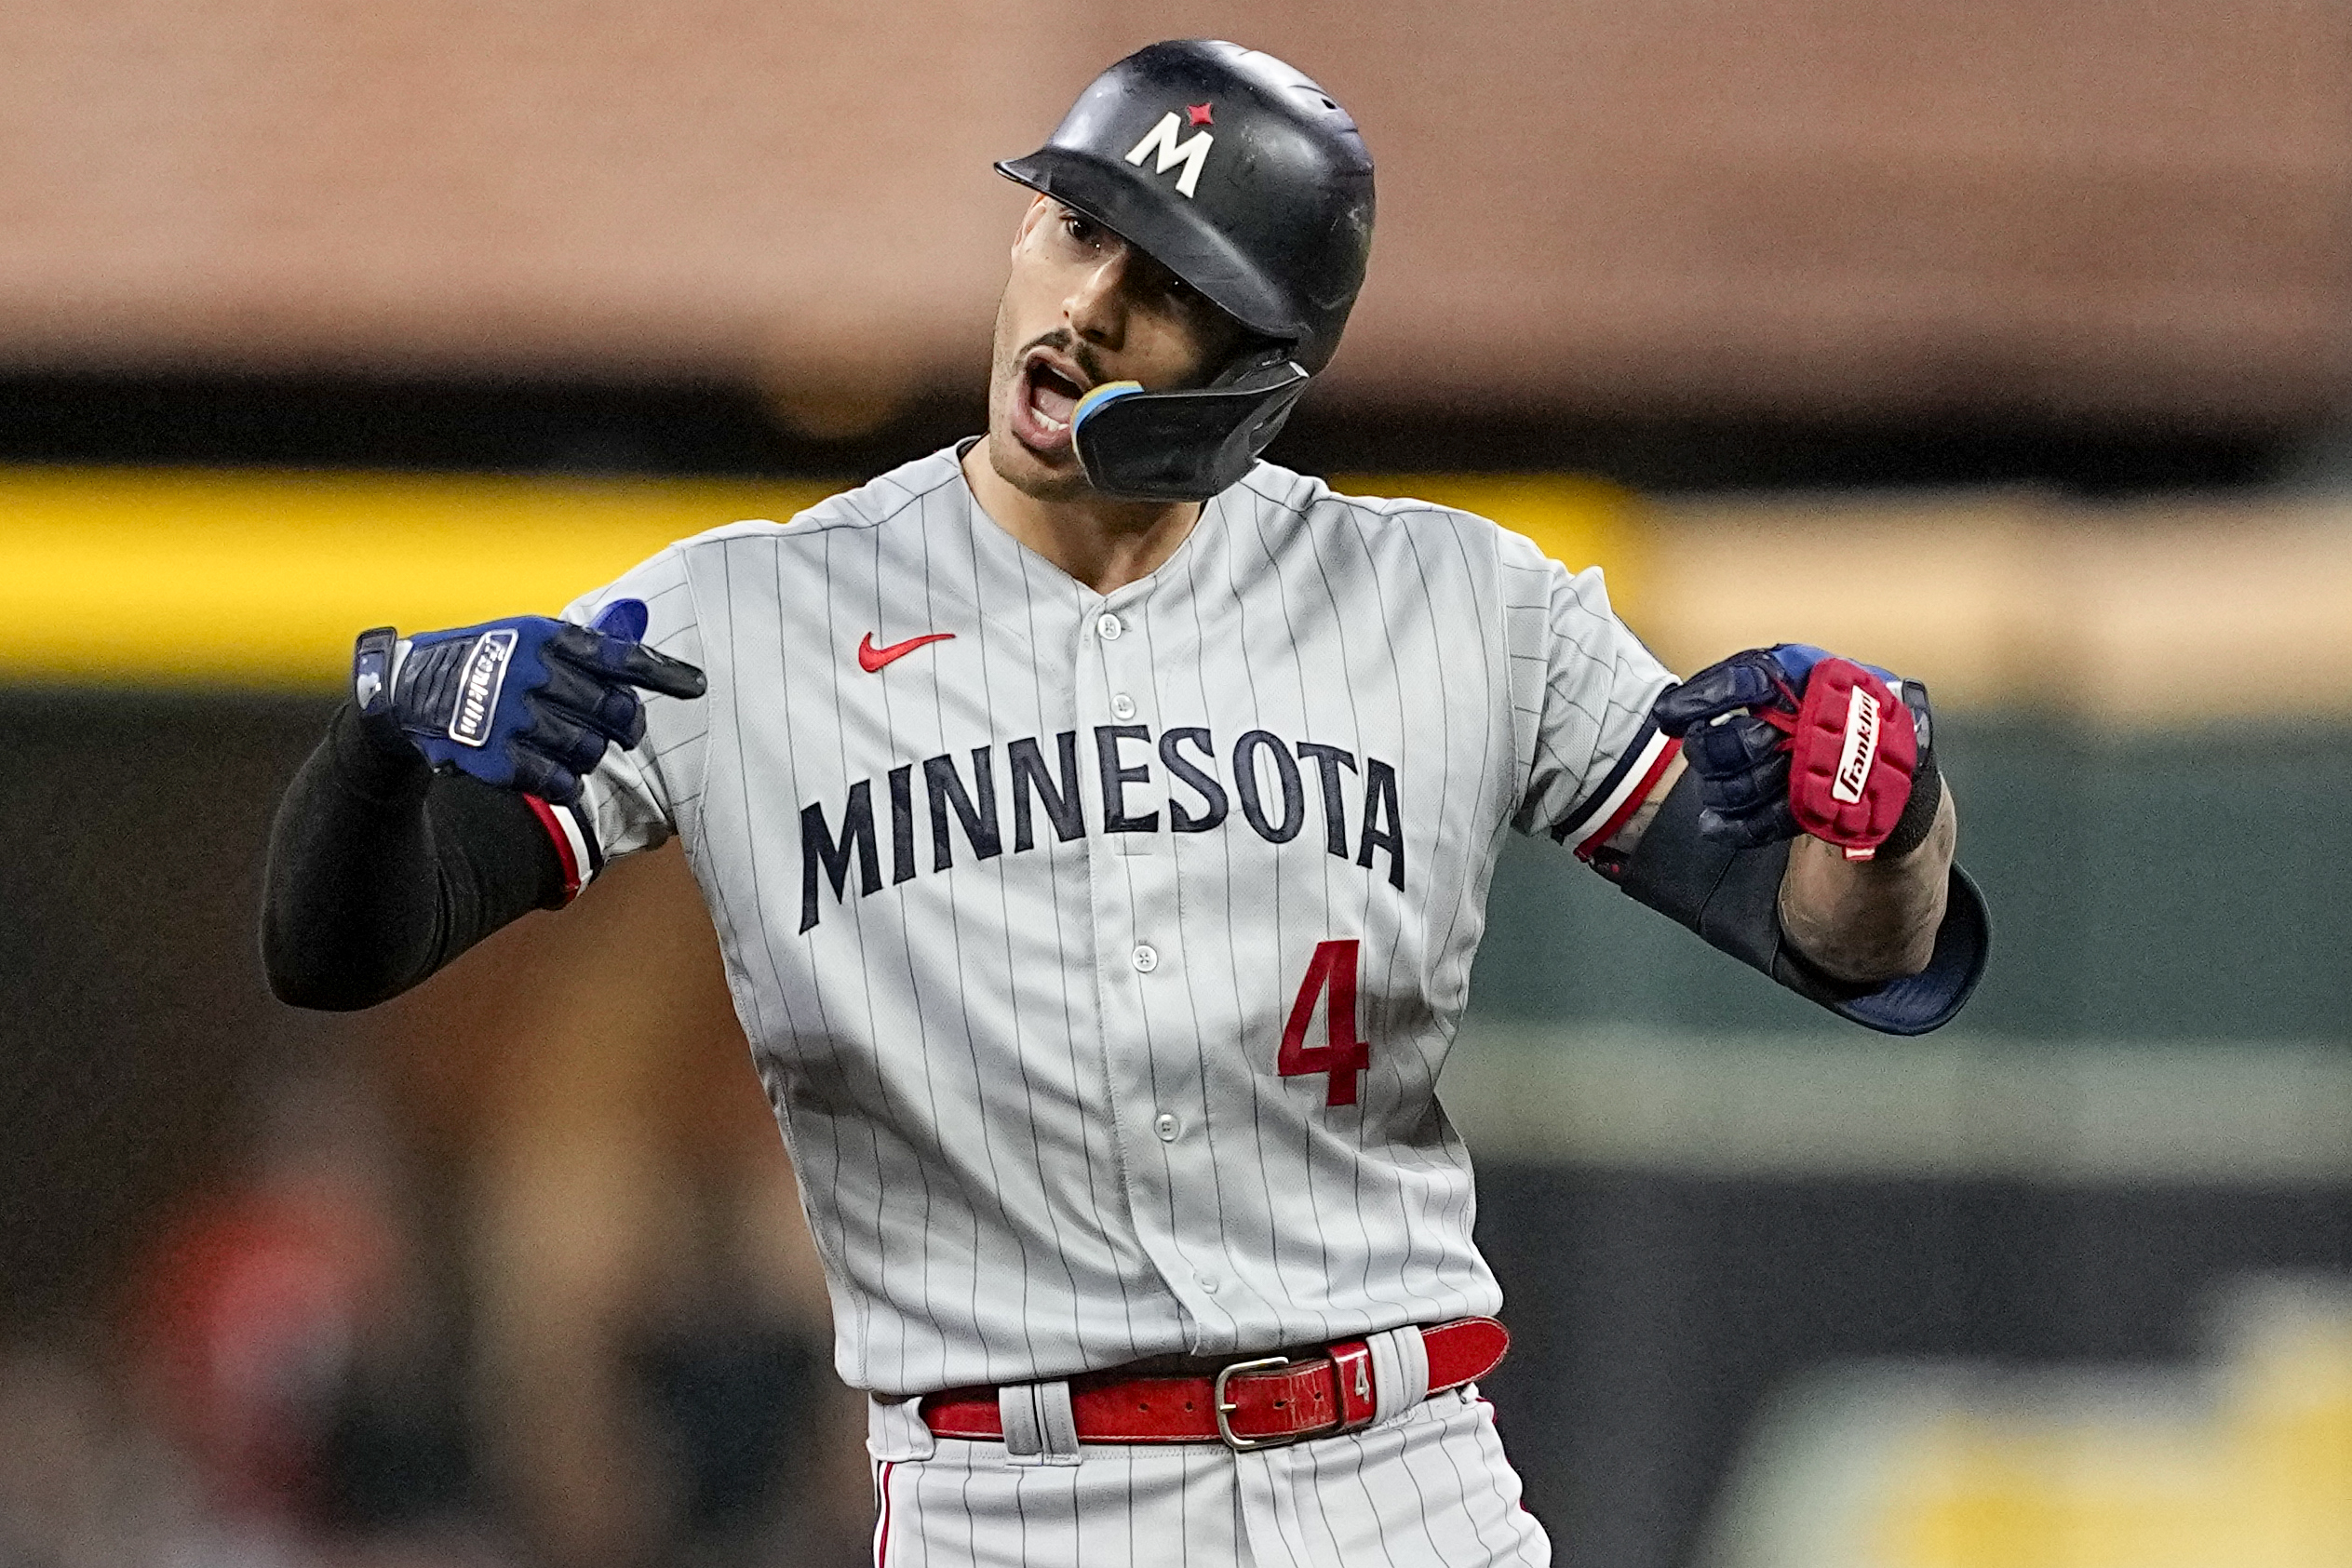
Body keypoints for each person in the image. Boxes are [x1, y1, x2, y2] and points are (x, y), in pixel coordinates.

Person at [263, 39, 1986, 1565]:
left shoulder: (1464, 604)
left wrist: (1890, 826)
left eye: (1159, 280)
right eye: (1074, 228)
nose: (1083, 305)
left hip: (1399, 1484)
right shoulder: (744, 619)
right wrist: (378, 743)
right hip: (1013, 1503)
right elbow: (341, 945)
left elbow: (1839, 947)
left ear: (1264, 360)